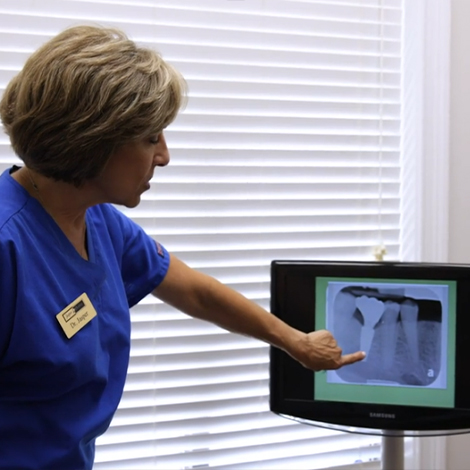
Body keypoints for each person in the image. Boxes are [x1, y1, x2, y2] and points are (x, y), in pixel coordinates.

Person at [0, 25, 365, 470]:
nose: (165, 156)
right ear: (93, 139)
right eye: (152, 137)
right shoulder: (8, 247)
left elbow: (193, 289)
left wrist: (295, 342)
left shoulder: (96, 220)